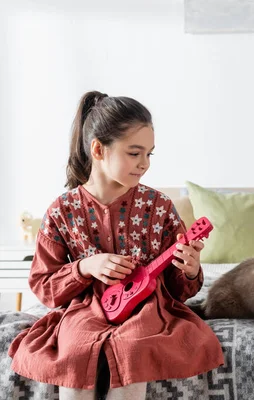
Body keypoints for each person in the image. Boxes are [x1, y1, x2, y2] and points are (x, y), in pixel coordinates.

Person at [8, 91, 224, 399]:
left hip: (146, 311)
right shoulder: (63, 210)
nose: (144, 164)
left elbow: (178, 291)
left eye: (150, 154)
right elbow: (43, 285)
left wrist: (189, 271)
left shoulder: (158, 206)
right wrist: (84, 267)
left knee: (133, 350)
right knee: (74, 354)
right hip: (85, 309)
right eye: (134, 153)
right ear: (98, 149)